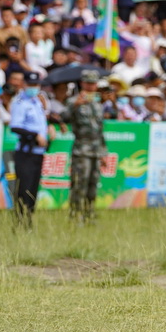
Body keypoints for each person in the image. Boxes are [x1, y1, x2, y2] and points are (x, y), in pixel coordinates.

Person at [61, 69, 106, 224]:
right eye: (88, 83)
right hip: (81, 149)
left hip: (96, 150)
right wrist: (75, 105)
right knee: (80, 183)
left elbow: (100, 130)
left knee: (93, 184)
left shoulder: (97, 104)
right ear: (82, 83)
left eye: (93, 83)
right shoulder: (73, 101)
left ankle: (89, 214)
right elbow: (63, 118)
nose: (91, 86)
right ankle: (75, 215)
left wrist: (104, 152)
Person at [9, 71, 49, 228]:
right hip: (26, 151)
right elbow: (15, 127)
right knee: (24, 188)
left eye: (36, 85)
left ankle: (29, 220)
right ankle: (19, 220)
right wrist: (35, 135)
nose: (34, 88)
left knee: (33, 188)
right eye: (31, 85)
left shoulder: (37, 102)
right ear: (24, 85)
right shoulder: (20, 102)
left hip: (38, 152)